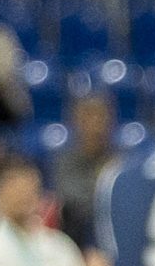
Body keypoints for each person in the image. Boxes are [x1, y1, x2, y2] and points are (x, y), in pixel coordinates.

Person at [53, 91, 127, 248]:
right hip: (77, 240)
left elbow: (125, 201)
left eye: (101, 117)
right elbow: (73, 201)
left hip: (116, 237)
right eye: (88, 117)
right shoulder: (64, 161)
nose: (95, 124)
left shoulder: (123, 162)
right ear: (75, 121)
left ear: (112, 121)